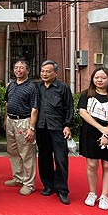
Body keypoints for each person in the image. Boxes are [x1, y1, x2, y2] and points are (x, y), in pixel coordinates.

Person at [78, 67, 108, 210]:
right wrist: (101, 129)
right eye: (96, 77)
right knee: (92, 165)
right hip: (90, 132)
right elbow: (82, 112)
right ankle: (92, 193)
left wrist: (107, 134)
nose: (99, 80)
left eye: (103, 78)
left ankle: (105, 196)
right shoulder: (87, 94)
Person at [36, 60, 74, 205]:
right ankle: (48, 185)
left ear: (55, 73)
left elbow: (69, 108)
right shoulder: (37, 87)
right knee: (44, 158)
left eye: (48, 71)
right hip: (41, 127)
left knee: (61, 159)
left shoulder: (63, 88)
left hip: (58, 128)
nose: (44, 74)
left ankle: (62, 190)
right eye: (42, 71)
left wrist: (68, 125)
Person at [4, 59, 39, 196]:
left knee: (27, 153)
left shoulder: (31, 87)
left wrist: (31, 127)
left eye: (21, 67)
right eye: (16, 67)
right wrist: (5, 119)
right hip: (10, 120)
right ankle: (18, 177)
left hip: (24, 122)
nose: (18, 70)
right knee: (13, 151)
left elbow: (34, 108)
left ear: (28, 70)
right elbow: (7, 103)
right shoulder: (11, 84)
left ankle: (29, 183)